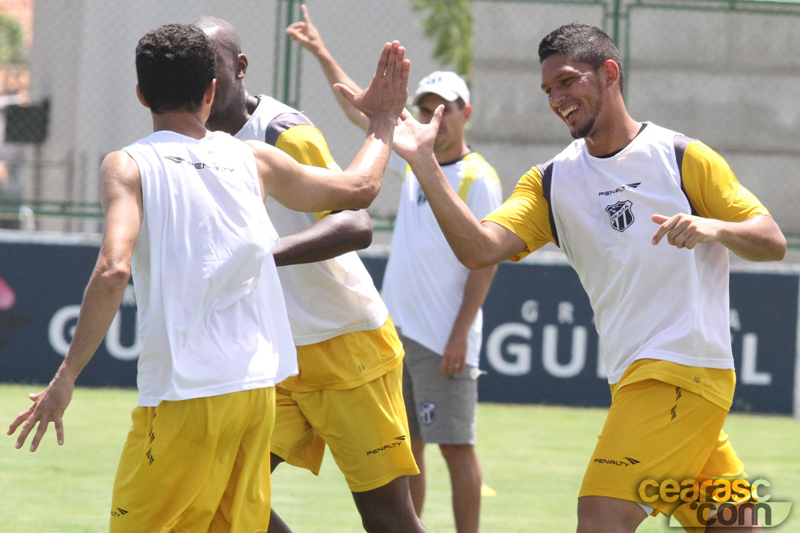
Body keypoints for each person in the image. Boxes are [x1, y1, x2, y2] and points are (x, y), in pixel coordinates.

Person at [6, 23, 409, 532]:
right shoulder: (252, 158)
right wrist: (382, 120)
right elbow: (361, 186)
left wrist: (65, 378)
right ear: (211, 89)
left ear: (140, 92)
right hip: (257, 392)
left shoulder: (128, 165)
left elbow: (113, 268)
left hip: (184, 395)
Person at [390, 22, 786, 533]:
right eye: (548, 89)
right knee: (734, 525)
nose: (556, 98)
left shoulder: (682, 157)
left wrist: (714, 227)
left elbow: (771, 238)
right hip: (644, 385)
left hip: (682, 375)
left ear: (610, 74)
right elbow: (478, 249)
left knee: (600, 518)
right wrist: (424, 163)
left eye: (568, 81)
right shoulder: (550, 181)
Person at [191, 16, 427, 533]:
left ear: (241, 68)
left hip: (347, 346)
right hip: (274, 354)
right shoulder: (196, 142)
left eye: (211, 69)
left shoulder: (283, 133)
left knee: (388, 519)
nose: (201, 85)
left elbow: (355, 221)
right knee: (219, 502)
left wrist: (264, 254)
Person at [288, 7, 502, 533]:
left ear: (465, 113)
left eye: (444, 108)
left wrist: (459, 335)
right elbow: (367, 112)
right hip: (399, 333)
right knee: (411, 450)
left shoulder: (479, 176)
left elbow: (485, 262)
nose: (434, 117)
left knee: (457, 447)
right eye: (426, 107)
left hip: (444, 338)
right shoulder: (415, 159)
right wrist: (321, 52)